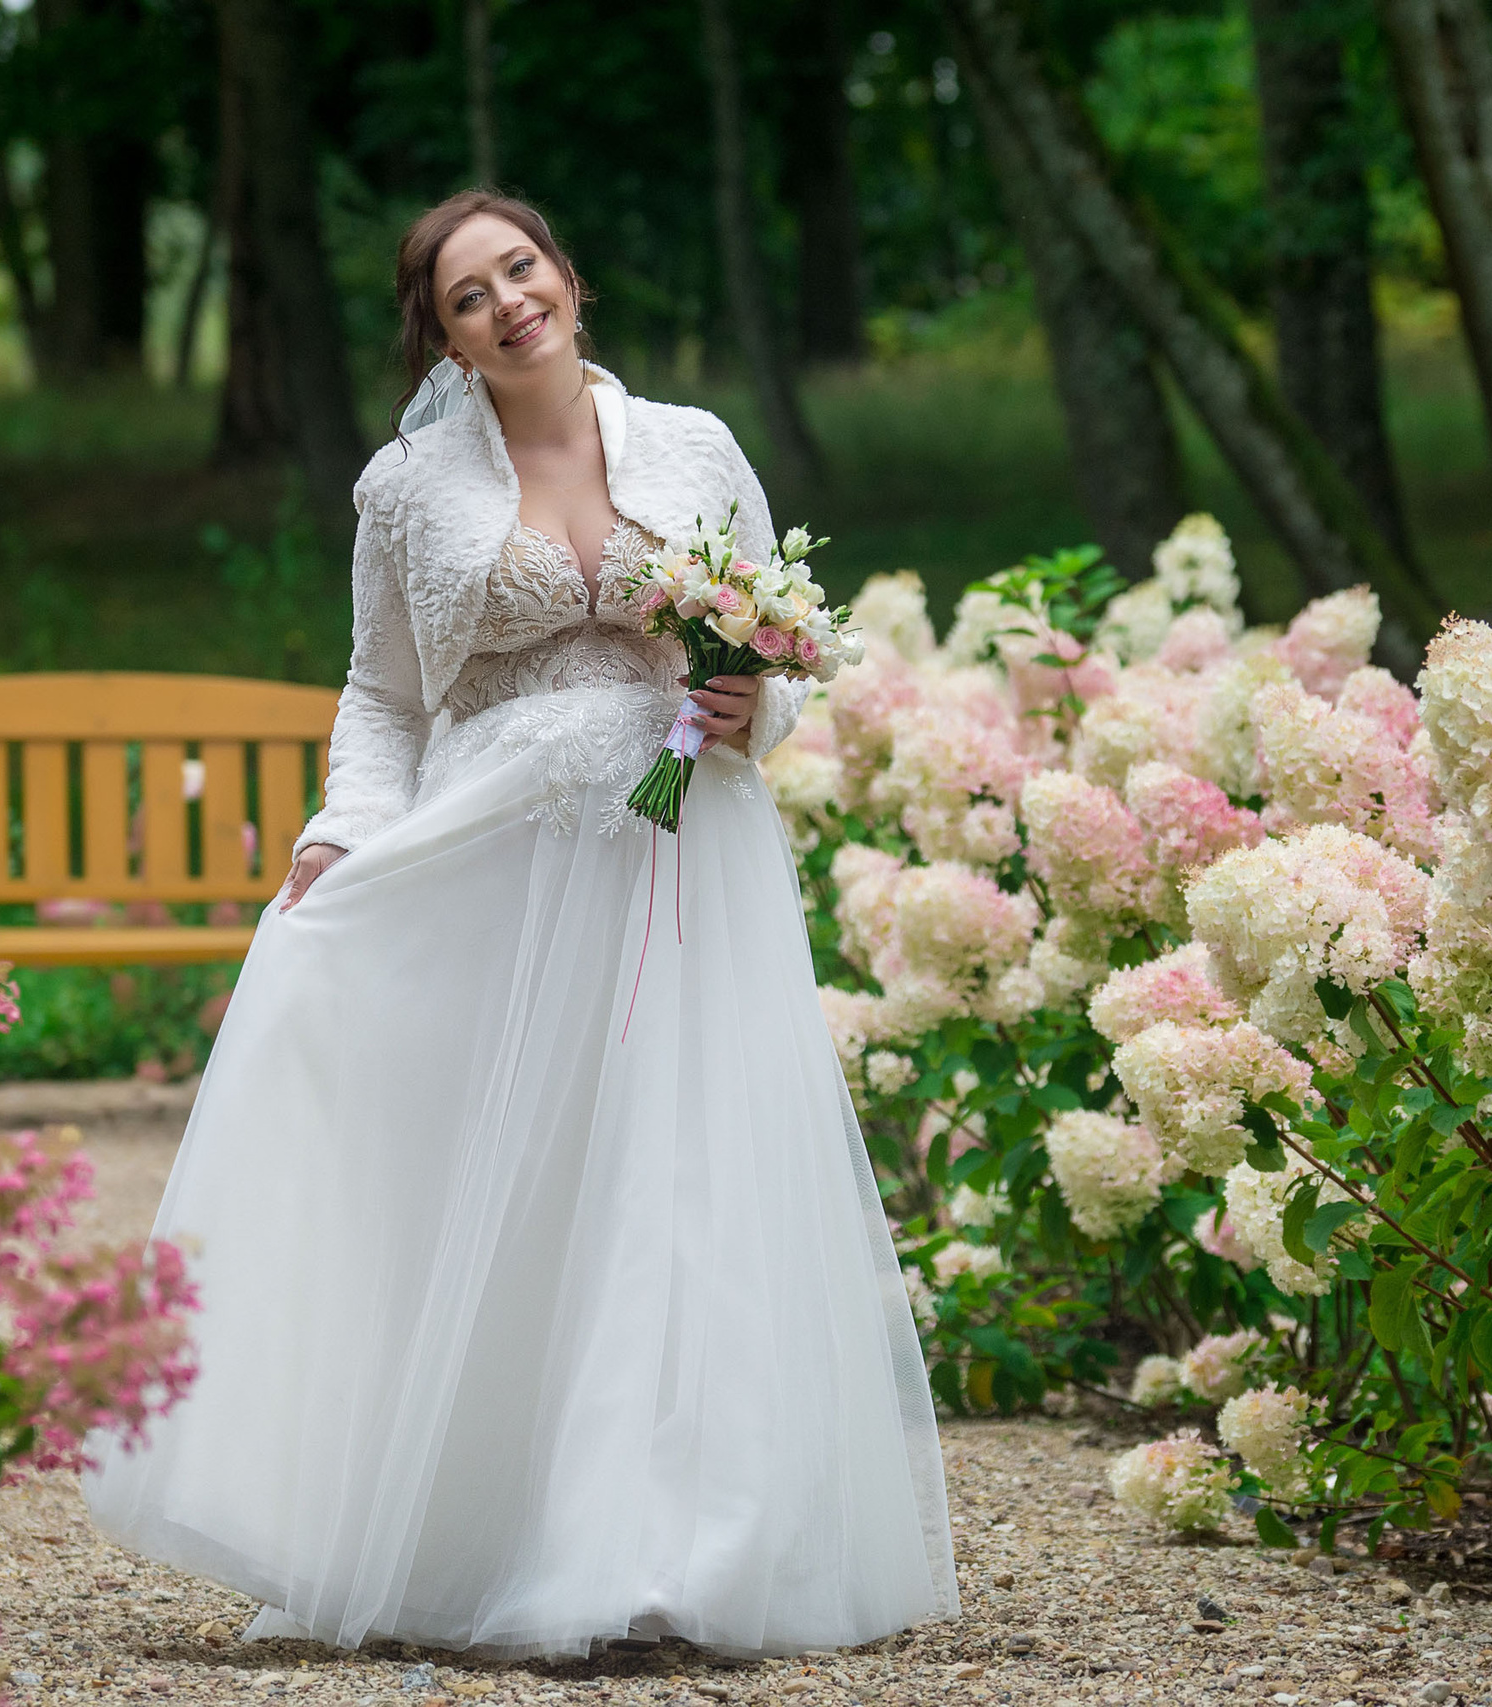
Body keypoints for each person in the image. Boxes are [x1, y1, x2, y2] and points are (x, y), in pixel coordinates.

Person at [80, 191, 959, 1660]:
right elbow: (380, 691)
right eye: (467, 293)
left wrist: (755, 708)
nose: (507, 302)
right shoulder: (407, 488)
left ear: (568, 275)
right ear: (443, 336)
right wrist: (337, 836)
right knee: (510, 1190)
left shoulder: (694, 448)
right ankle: (483, 1535)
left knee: (672, 1186)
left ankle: (663, 1559)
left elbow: (778, 659)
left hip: (684, 861)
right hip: (493, 861)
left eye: (521, 269)